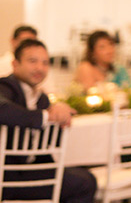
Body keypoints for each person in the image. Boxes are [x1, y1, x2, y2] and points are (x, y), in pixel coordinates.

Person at [0, 39, 97, 203]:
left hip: (28, 170)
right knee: (84, 183)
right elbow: (3, 109)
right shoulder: (5, 87)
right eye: (32, 61)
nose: (40, 68)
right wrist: (47, 116)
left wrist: (62, 116)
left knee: (84, 175)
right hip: (6, 177)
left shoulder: (41, 97)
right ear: (15, 64)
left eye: (45, 63)